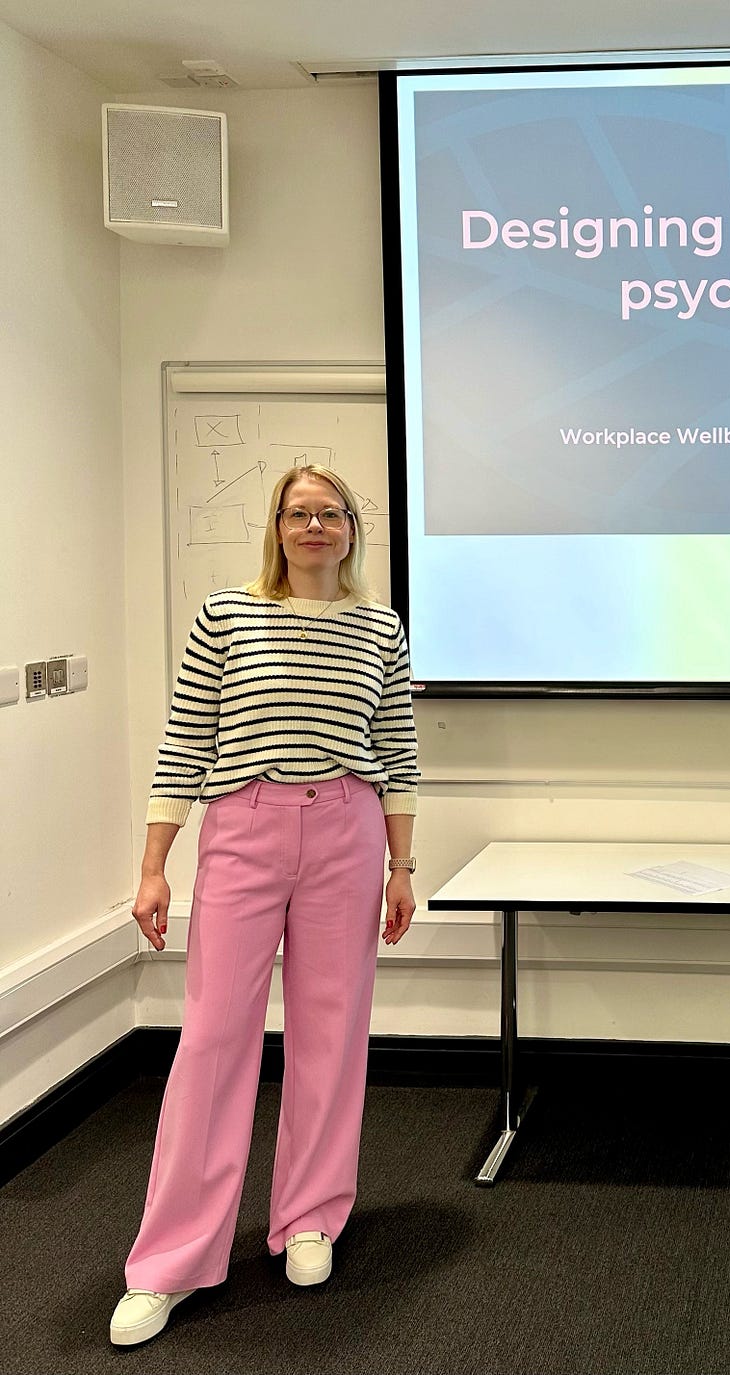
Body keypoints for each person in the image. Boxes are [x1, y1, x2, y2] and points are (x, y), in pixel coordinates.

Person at [110, 465, 420, 1346]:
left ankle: (312, 1215)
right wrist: (153, 866)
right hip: (243, 823)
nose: (314, 525)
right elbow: (184, 739)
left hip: (349, 829)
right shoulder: (227, 615)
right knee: (212, 1039)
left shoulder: (380, 627)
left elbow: (397, 752)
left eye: (331, 513)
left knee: (332, 1027)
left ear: (353, 529)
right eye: (298, 512)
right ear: (277, 527)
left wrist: (402, 865)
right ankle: (171, 1260)